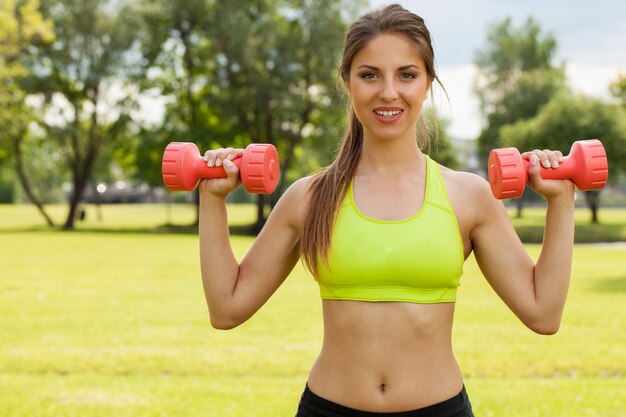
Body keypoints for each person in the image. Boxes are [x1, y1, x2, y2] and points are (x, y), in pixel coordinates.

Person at [197, 4, 575, 417]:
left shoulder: (468, 196)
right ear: (347, 82)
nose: (389, 92)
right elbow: (227, 308)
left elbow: (543, 314)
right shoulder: (309, 198)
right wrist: (213, 200)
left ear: (428, 82)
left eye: (407, 75)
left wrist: (561, 201)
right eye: (370, 74)